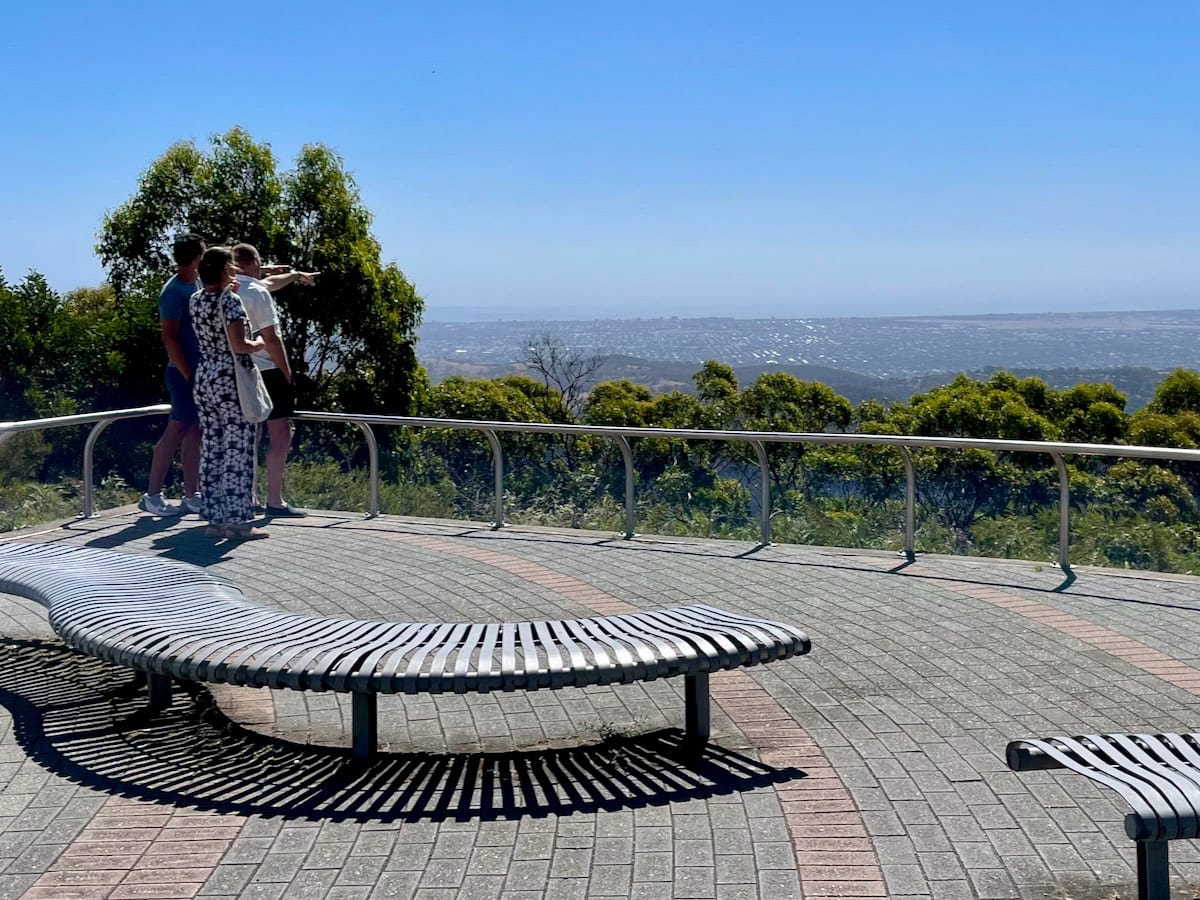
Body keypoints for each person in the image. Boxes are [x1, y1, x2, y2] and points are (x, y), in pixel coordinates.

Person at [231, 243, 318, 517]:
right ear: (255, 262)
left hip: (237, 371)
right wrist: (286, 371)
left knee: (249, 435)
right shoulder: (258, 292)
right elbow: (272, 338)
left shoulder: (223, 289)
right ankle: (275, 499)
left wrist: (292, 275)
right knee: (280, 433)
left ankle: (248, 496)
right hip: (267, 370)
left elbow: (266, 279)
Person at [189, 247, 268, 540]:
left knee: (212, 447)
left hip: (205, 378)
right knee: (238, 449)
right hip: (230, 380)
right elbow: (239, 345)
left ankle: (214, 520)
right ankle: (239, 521)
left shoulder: (196, 300)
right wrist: (258, 343)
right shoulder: (231, 302)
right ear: (224, 269)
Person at [138, 234, 205, 516]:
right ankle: (152, 495)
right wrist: (187, 372)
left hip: (196, 371)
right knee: (176, 429)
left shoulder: (197, 284)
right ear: (196, 257)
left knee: (194, 431)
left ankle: (192, 494)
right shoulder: (174, 291)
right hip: (181, 374)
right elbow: (169, 337)